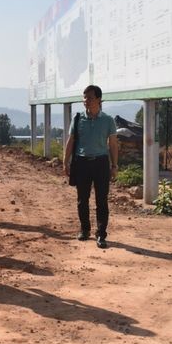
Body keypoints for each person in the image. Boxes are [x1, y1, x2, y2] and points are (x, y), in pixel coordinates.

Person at [63, 84, 118, 249]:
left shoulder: (108, 120)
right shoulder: (78, 119)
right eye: (84, 97)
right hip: (81, 163)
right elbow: (71, 141)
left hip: (101, 163)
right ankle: (85, 229)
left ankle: (101, 234)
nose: (86, 100)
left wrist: (114, 165)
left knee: (102, 200)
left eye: (90, 97)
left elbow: (113, 144)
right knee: (82, 200)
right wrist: (65, 161)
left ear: (99, 100)